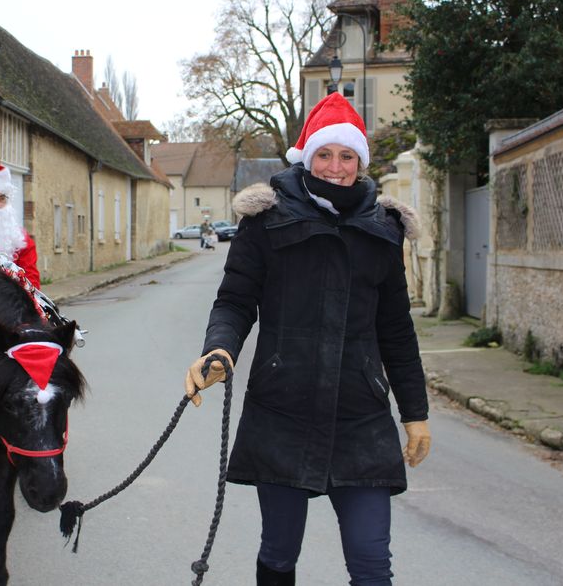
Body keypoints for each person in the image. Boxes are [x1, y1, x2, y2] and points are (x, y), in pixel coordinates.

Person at [184, 92, 431, 586]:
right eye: (325, 154)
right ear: (307, 156)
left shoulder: (384, 230)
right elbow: (235, 301)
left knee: (371, 562)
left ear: (360, 162)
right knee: (278, 554)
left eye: (346, 156)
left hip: (360, 416)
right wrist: (220, 349)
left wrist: (415, 413)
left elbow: (397, 331)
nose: (335, 166)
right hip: (283, 411)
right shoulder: (265, 220)